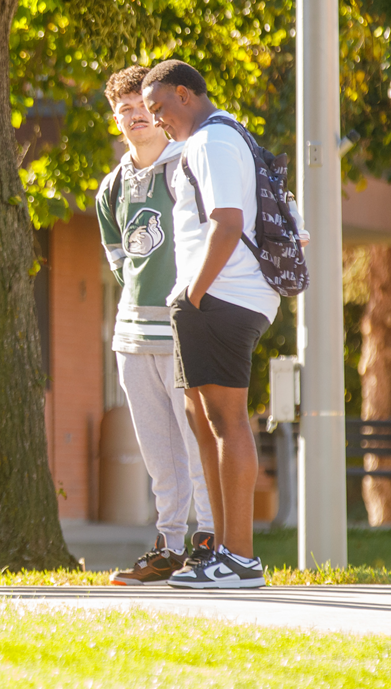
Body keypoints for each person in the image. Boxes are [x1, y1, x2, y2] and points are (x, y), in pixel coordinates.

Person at [141, 59, 278, 589]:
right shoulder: (226, 136)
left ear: (184, 93)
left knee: (226, 421)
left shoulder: (210, 141)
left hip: (220, 297)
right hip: (214, 297)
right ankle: (224, 554)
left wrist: (195, 294)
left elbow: (228, 222)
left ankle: (240, 558)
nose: (157, 120)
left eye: (159, 108)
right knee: (205, 422)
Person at [94, 65, 215, 586]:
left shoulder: (187, 163)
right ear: (114, 119)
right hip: (132, 335)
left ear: (157, 110)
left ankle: (210, 541)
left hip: (186, 329)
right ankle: (168, 544)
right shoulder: (114, 183)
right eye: (122, 111)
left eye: (140, 107)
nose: (133, 117)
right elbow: (115, 250)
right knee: (157, 449)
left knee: (197, 442)